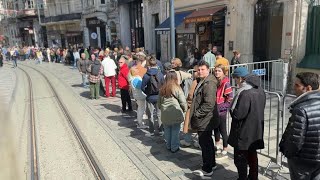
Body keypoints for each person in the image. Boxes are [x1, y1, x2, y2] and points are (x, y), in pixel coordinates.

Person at [279, 72, 320, 180]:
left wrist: (288, 153)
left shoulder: (301, 109)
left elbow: (295, 140)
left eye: (297, 85)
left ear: (308, 88)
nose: (294, 88)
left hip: (302, 161)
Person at [228, 67, 266, 180]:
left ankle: (242, 178)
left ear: (240, 78)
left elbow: (238, 115)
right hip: (256, 129)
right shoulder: (260, 89)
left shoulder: (245, 93)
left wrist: (233, 108)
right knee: (252, 155)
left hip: (243, 131)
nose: (235, 81)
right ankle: (253, 177)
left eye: (235, 79)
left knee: (240, 158)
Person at [190, 60, 219, 177]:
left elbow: (209, 104)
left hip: (205, 119)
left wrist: (197, 114)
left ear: (208, 70)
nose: (200, 71)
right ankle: (212, 164)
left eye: (202, 69)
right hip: (205, 118)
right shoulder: (203, 80)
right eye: (198, 69)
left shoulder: (209, 83)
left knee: (205, 143)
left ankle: (207, 169)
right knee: (207, 142)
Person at [158, 71, 187, 153]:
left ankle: (168, 145)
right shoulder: (177, 88)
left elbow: (159, 103)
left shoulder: (162, 88)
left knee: (167, 129)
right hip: (175, 112)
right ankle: (174, 147)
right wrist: (184, 109)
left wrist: (162, 109)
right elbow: (183, 101)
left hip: (165, 112)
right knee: (175, 130)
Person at [213, 64, 233, 159]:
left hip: (221, 111)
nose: (217, 72)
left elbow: (230, 98)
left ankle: (225, 148)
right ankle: (217, 145)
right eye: (216, 70)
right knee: (215, 129)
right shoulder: (214, 81)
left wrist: (222, 107)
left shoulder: (226, 83)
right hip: (214, 110)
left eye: (219, 71)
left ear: (224, 72)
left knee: (223, 130)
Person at [141, 57, 164, 136]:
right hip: (159, 96)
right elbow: (163, 85)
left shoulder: (146, 75)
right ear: (156, 64)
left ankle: (151, 131)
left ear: (149, 65)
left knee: (150, 114)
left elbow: (142, 87)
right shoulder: (160, 74)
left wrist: (147, 92)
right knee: (159, 114)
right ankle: (161, 130)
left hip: (149, 97)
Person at [180, 65, 200, 148]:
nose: (194, 73)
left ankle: (189, 140)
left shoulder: (195, 82)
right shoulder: (197, 80)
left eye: (195, 71)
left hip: (194, 106)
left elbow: (190, 94)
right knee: (191, 123)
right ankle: (190, 140)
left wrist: (188, 103)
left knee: (189, 123)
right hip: (195, 106)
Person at [128, 58, 148, 128]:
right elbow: (142, 87)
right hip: (140, 95)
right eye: (136, 69)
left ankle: (140, 122)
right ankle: (140, 123)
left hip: (137, 95)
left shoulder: (133, 78)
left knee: (140, 108)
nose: (138, 70)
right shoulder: (136, 79)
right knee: (141, 109)